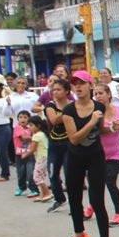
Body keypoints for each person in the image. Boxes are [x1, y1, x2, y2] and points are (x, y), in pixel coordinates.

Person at [60, 70, 113, 237]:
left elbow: (100, 131)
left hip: (96, 156)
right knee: (74, 199)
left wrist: (114, 126)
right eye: (75, 84)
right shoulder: (68, 110)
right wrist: (91, 121)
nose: (78, 87)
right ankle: (80, 235)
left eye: (82, 83)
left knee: (97, 201)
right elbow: (74, 139)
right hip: (75, 157)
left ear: (90, 85)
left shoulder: (99, 106)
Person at [92, 84, 119, 226]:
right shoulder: (94, 113)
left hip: (115, 154)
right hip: (98, 153)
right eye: (95, 94)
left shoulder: (118, 110)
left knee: (110, 182)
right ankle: (92, 206)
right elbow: (96, 132)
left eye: (100, 93)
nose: (98, 96)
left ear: (109, 94)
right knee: (96, 182)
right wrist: (111, 127)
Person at [42, 79, 73, 212]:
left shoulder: (73, 104)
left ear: (66, 91)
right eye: (53, 90)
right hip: (54, 143)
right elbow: (53, 120)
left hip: (69, 143)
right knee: (53, 173)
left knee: (70, 174)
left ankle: (74, 202)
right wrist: (68, 113)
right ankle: (59, 198)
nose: (55, 92)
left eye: (58, 89)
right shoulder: (50, 105)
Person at [25, 116, 52, 201]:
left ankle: (48, 193)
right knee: (41, 176)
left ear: (38, 125)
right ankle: (42, 194)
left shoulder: (36, 136)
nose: (30, 128)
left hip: (41, 158)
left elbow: (33, 149)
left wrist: (25, 154)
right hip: (45, 157)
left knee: (37, 177)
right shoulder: (43, 134)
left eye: (31, 125)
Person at [11, 110, 36, 196]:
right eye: (21, 117)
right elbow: (24, 137)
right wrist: (35, 138)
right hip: (20, 155)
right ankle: (21, 187)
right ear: (17, 119)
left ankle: (33, 189)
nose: (23, 119)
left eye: (25, 117)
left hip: (30, 153)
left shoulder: (31, 129)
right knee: (21, 173)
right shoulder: (17, 128)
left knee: (30, 172)